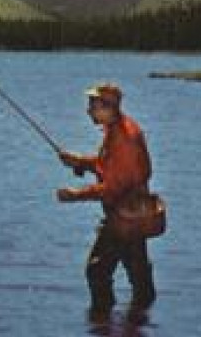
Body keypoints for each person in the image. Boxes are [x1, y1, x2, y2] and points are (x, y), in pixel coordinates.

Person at [57, 82, 157, 319]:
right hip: (132, 214)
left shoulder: (124, 138)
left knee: (97, 271)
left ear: (109, 107)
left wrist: (75, 195)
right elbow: (110, 167)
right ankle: (140, 325)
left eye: (93, 105)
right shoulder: (117, 129)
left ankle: (101, 324)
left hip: (124, 217)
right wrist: (80, 161)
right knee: (139, 276)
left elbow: (112, 188)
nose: (88, 111)